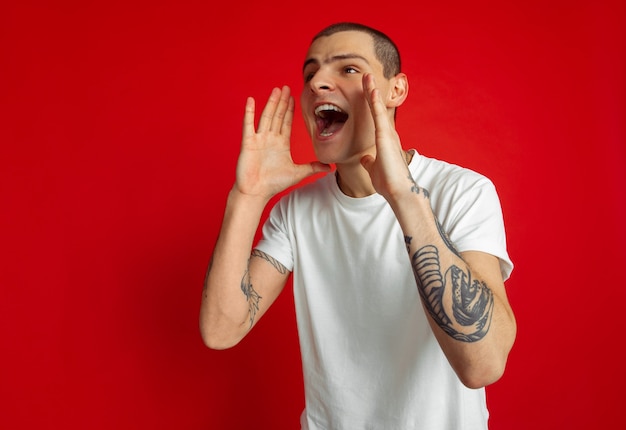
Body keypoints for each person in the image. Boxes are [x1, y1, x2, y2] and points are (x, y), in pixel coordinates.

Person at [200, 22, 516, 429]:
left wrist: (403, 197)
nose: (317, 83)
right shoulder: (298, 211)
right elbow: (220, 330)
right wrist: (247, 197)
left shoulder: (464, 192)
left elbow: (483, 365)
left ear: (396, 90)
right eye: (310, 73)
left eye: (347, 69)